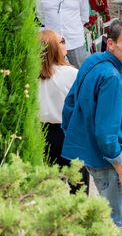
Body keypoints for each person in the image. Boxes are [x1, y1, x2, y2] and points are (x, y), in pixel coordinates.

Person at [61, 18, 122, 228]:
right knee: (120, 221)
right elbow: (107, 135)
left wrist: (77, 138)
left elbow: (69, 105)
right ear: (111, 44)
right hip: (104, 160)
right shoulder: (112, 79)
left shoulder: (91, 61)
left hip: (87, 152)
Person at [38, 30, 88, 193]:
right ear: (53, 48)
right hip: (67, 132)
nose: (65, 44)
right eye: (62, 41)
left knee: (51, 186)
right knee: (78, 185)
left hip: (42, 134)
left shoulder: (32, 77)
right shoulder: (71, 74)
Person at [36, 0, 91, 68]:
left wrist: (72, 28)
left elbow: (84, 16)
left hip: (75, 42)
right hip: (52, 45)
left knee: (81, 74)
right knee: (53, 76)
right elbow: (40, 15)